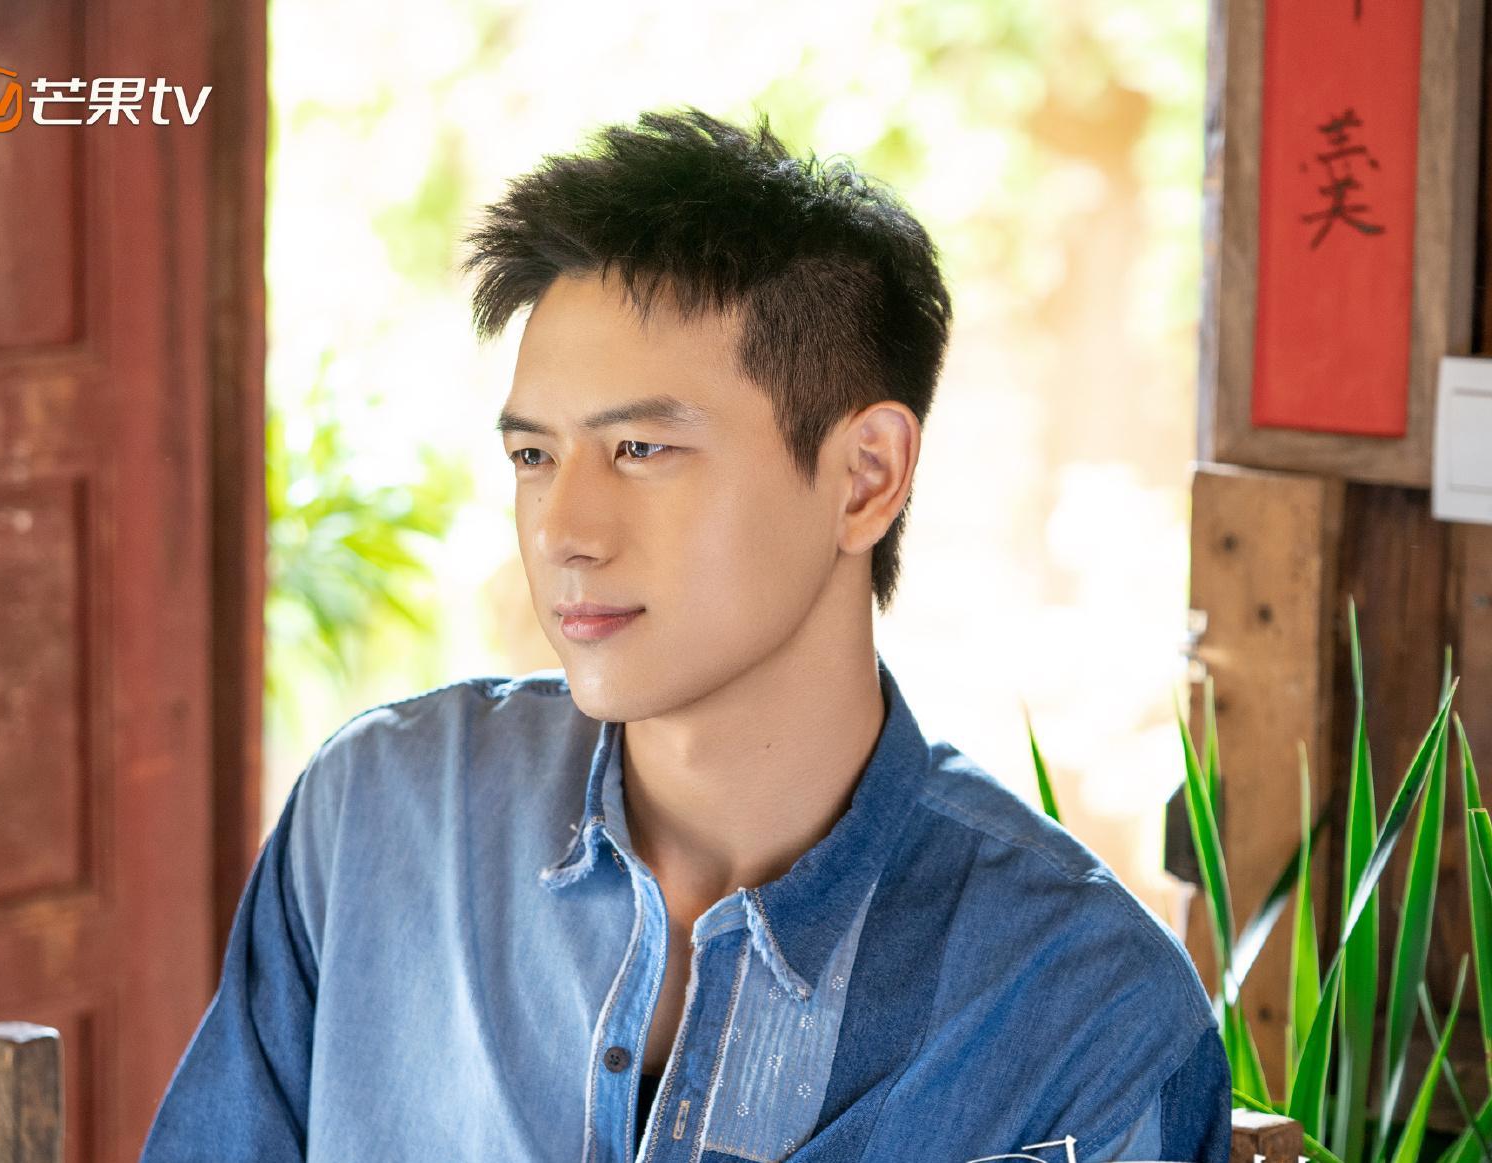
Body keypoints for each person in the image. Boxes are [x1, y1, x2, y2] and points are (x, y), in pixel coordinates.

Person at [142, 107, 1230, 1163]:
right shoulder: (379, 815)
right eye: (533, 457)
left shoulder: (1082, 1007)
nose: (562, 531)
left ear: (864, 477)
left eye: (641, 450)